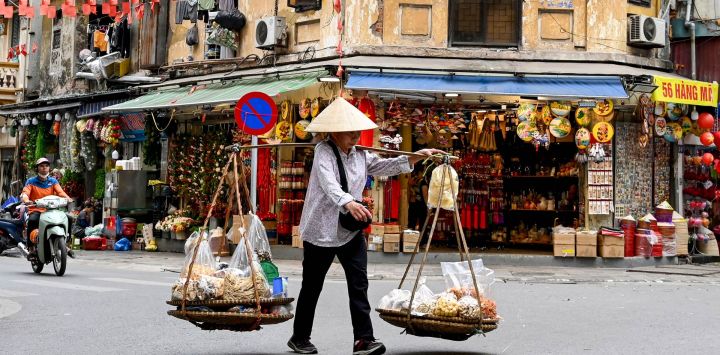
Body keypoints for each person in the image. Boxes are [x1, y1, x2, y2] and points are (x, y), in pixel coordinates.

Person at [287, 97, 444, 355]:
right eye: (351, 132)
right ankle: (299, 337)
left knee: (359, 284)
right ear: (335, 132)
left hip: (350, 229)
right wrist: (349, 202)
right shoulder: (323, 151)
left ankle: (363, 339)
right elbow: (328, 183)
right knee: (312, 286)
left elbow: (383, 165)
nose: (356, 136)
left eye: (358, 131)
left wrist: (415, 157)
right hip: (321, 230)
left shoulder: (360, 153)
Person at [20, 158, 74, 257]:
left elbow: (60, 192)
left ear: (49, 168)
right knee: (32, 220)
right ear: (37, 168)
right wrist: (26, 200)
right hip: (36, 210)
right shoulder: (31, 181)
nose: (44, 168)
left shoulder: (53, 181)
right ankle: (31, 247)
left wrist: (68, 198)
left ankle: (66, 243)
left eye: (46, 166)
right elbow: (25, 193)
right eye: (41, 166)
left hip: (51, 210)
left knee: (69, 218)